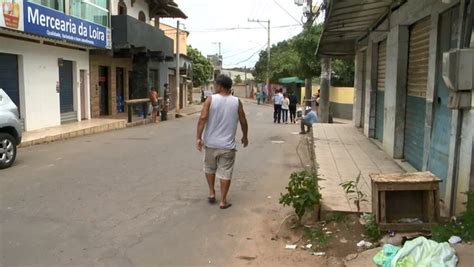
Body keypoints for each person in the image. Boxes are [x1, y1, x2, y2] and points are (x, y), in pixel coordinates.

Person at [196, 74, 249, 209]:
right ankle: (223, 201)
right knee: (225, 172)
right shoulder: (237, 102)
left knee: (209, 168)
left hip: (210, 144)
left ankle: (212, 192)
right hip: (227, 146)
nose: (214, 87)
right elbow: (243, 121)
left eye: (215, 84)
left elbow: (202, 118)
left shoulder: (210, 100)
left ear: (220, 86)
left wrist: (198, 137)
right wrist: (245, 136)